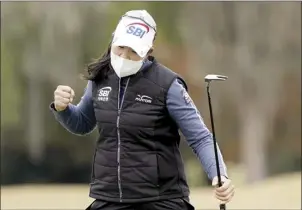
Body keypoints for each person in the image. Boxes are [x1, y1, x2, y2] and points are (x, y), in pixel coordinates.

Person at [50, 10, 235, 210]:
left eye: (133, 51)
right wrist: (63, 109)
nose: (124, 56)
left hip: (161, 199)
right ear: (113, 40)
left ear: (148, 51)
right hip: (110, 197)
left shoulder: (168, 85)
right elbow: (82, 123)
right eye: (120, 48)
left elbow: (200, 137)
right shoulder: (100, 79)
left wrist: (219, 175)